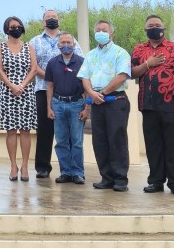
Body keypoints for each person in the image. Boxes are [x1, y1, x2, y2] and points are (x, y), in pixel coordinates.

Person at [130, 14, 174, 195]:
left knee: (172, 144)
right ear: (145, 29)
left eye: (157, 25)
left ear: (164, 28)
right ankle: (156, 181)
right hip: (148, 104)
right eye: (150, 25)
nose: (154, 28)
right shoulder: (139, 49)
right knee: (153, 145)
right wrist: (147, 64)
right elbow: (133, 73)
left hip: (172, 105)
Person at [77, 20, 131, 191]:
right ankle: (106, 177)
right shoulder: (90, 55)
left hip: (115, 100)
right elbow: (84, 77)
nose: (101, 32)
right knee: (99, 140)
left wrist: (104, 92)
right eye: (98, 30)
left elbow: (122, 76)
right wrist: (92, 94)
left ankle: (120, 179)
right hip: (96, 101)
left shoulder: (120, 53)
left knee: (117, 139)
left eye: (104, 30)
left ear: (111, 34)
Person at [0, 16, 38, 181]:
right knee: (11, 131)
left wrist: (22, 85)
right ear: (7, 29)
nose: (16, 29)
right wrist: (12, 86)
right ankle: (13, 165)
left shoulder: (29, 47)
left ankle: (25, 166)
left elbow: (33, 69)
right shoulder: (0, 47)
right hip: (8, 92)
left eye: (18, 26)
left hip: (26, 93)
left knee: (25, 131)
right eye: (12, 26)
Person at [28, 10, 67, 179]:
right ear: (43, 22)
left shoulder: (68, 39)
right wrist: (52, 77)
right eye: (48, 18)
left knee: (67, 130)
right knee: (44, 130)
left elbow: (80, 61)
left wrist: (61, 78)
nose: (52, 20)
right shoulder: (35, 41)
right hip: (43, 89)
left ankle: (70, 169)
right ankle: (43, 167)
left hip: (65, 90)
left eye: (54, 18)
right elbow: (33, 67)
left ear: (59, 21)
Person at [43, 31, 86, 184]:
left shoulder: (82, 62)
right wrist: (49, 107)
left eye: (69, 42)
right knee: (61, 140)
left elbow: (87, 87)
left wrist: (86, 108)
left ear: (74, 45)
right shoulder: (52, 63)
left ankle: (78, 172)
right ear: (58, 45)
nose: (66, 45)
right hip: (58, 104)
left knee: (76, 141)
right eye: (63, 43)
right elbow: (49, 86)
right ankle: (65, 172)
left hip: (76, 104)